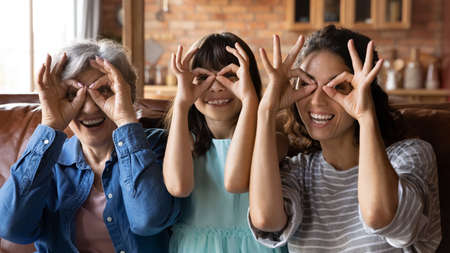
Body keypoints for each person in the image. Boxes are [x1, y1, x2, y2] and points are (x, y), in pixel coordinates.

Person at [249, 25, 441, 252]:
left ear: (365, 91)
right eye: (308, 85)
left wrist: (365, 115)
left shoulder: (411, 156)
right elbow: (266, 221)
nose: (317, 101)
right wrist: (266, 111)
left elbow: (381, 215)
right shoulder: (299, 170)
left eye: (338, 86)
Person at [0, 40, 181, 253]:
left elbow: (148, 220)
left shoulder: (158, 146)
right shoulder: (47, 159)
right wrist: (50, 123)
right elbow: (10, 227)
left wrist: (125, 120)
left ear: (126, 94)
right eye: (72, 94)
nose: (89, 107)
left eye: (104, 90)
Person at [163, 32, 285, 253]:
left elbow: (235, 181)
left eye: (230, 75)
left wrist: (249, 101)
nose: (217, 87)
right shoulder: (184, 141)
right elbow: (178, 187)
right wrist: (181, 103)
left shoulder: (270, 141)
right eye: (203, 77)